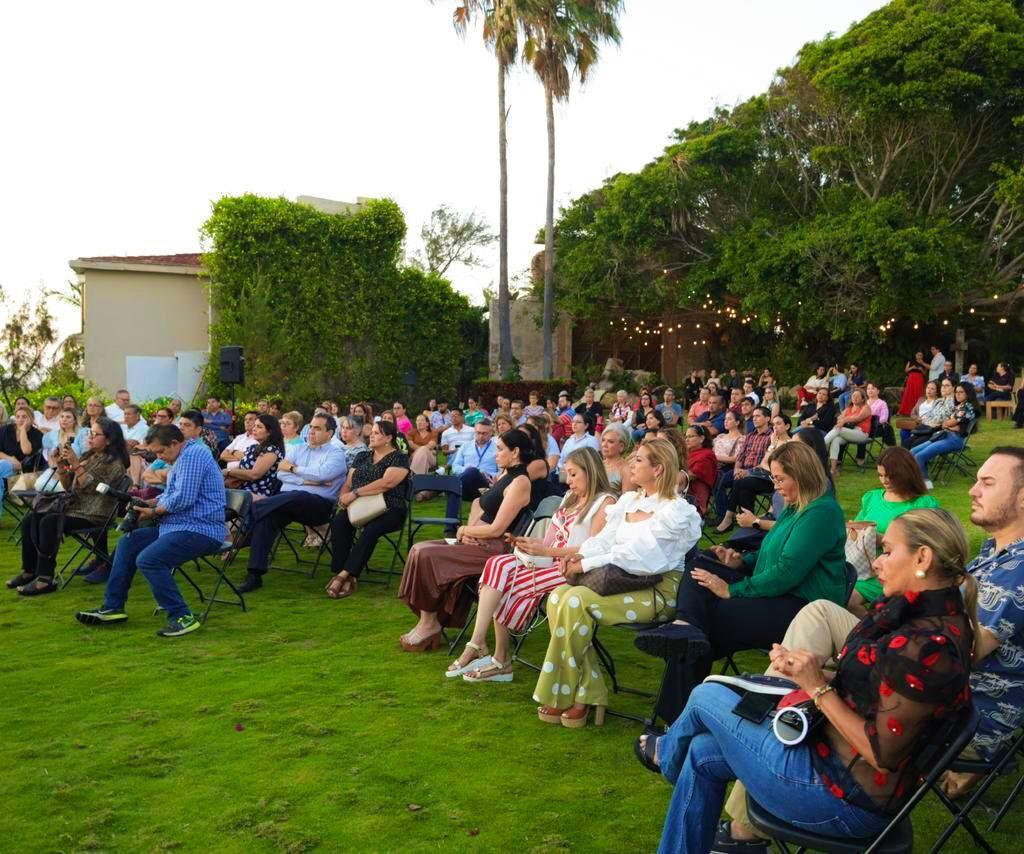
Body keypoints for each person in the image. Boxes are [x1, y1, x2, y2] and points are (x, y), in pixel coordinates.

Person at [645, 507, 976, 854]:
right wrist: (806, 670)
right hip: (830, 765)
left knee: (706, 695)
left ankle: (665, 754)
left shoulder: (928, 646)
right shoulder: (928, 619)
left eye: (888, 551)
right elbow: (879, 690)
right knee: (701, 752)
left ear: (922, 557)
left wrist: (817, 685)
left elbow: (882, 753)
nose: (876, 562)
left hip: (845, 800)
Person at [637, 441, 848, 724]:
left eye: (781, 479)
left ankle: (675, 716)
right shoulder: (796, 506)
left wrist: (732, 589)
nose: (776, 486)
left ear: (803, 476)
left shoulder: (821, 513)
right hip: (775, 592)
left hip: (801, 608)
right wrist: (739, 562)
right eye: (774, 478)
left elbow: (787, 571)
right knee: (701, 563)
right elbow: (771, 552)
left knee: (709, 623)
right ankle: (685, 628)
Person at [533, 440, 703, 726]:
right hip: (622, 582)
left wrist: (584, 565)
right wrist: (580, 556)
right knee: (557, 596)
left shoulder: (677, 512)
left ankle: (574, 696)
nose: (630, 465)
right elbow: (604, 541)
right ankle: (589, 690)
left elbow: (640, 558)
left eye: (638, 460)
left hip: (657, 591)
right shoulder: (629, 501)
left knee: (575, 600)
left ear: (658, 469)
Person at [447, 448, 617, 682]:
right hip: (550, 559)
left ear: (591, 472)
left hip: (573, 568)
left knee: (508, 582)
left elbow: (595, 549)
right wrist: (528, 543)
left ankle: (500, 659)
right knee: (497, 565)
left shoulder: (605, 502)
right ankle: (479, 643)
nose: (568, 481)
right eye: (567, 473)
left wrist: (546, 551)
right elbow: (551, 539)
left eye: (574, 474)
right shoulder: (570, 498)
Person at [75, 424, 227, 637]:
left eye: (160, 451)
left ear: (175, 443)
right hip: (177, 526)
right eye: (155, 452)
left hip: (202, 529)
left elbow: (183, 499)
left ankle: (182, 616)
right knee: (128, 543)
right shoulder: (180, 457)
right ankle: (113, 607)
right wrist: (148, 503)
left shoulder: (193, 456)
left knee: (149, 559)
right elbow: (172, 495)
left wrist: (153, 512)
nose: (159, 457)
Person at [398, 429, 535, 650]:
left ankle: (429, 624)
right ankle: (429, 621)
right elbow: (479, 505)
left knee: (425, 553)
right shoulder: (507, 476)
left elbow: (498, 529)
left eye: (500, 449)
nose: (495, 454)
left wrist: (464, 530)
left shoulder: (520, 482)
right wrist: (470, 531)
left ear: (516, 452)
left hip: (495, 552)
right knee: (418, 548)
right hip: (481, 542)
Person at [7, 417, 129, 595]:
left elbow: (94, 488)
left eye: (96, 434)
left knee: (49, 521)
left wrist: (76, 464)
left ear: (109, 439)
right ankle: (29, 571)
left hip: (94, 513)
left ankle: (45, 578)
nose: (90, 437)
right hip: (76, 508)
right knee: (30, 519)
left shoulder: (114, 463)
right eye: (90, 433)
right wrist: (62, 465)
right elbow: (68, 485)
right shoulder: (90, 455)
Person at [235, 414, 348, 593]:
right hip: (287, 503)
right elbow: (281, 473)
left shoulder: (336, 454)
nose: (311, 431)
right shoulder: (298, 449)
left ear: (330, 433)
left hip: (318, 506)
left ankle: (253, 510)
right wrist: (306, 481)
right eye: (311, 427)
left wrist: (295, 469)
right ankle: (254, 575)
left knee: (296, 496)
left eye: (317, 428)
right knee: (267, 519)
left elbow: (322, 474)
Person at [847, 447, 940, 617]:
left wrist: (882, 539)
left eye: (890, 476)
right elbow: (857, 527)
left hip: (902, 571)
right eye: (880, 475)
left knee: (855, 601)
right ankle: (870, 632)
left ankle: (879, 631)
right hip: (868, 569)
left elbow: (931, 543)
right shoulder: (872, 497)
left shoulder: (923, 504)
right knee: (846, 599)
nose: (884, 480)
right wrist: (855, 529)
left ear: (905, 474)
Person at [715, 412, 790, 532]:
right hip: (759, 474)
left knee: (741, 482)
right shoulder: (773, 441)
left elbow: (776, 468)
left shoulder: (789, 444)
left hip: (773, 479)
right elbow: (763, 463)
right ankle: (747, 523)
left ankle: (729, 517)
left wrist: (751, 471)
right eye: (774, 424)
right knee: (743, 486)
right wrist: (746, 471)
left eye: (778, 424)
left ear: (787, 426)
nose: (775, 427)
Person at [910, 381, 977, 488]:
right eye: (956, 392)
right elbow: (948, 424)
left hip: (954, 440)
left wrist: (949, 424)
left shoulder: (967, 407)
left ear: (968, 393)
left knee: (920, 456)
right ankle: (915, 479)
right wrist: (950, 424)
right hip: (944, 435)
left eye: (961, 392)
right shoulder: (959, 406)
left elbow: (949, 423)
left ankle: (926, 483)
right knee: (913, 451)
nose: (958, 394)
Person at [714, 407, 772, 521]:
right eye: (753, 416)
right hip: (741, 470)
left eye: (758, 416)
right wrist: (736, 469)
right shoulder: (750, 436)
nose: (754, 419)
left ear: (767, 419)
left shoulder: (771, 437)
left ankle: (729, 517)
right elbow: (740, 456)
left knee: (741, 483)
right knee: (720, 479)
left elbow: (766, 462)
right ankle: (732, 516)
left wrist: (747, 472)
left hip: (759, 474)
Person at [444, 419, 499, 535]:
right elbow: (455, 466)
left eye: (484, 433)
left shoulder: (497, 448)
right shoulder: (465, 446)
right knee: (459, 485)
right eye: (478, 433)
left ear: (491, 433)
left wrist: (489, 475)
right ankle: (450, 530)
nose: (480, 436)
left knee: (456, 485)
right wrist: (467, 470)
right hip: (466, 483)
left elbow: (502, 471)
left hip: (486, 485)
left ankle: (444, 488)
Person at [223, 414, 285, 498]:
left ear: (269, 432)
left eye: (259, 427)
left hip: (255, 491)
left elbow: (254, 475)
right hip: (239, 487)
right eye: (255, 425)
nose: (254, 429)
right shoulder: (254, 447)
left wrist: (228, 471)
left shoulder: (271, 450)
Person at [823, 388, 873, 478]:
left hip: (861, 434)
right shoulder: (848, 408)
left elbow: (858, 418)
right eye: (853, 395)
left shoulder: (866, 407)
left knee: (838, 429)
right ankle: (833, 470)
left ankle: (820, 445)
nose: (855, 397)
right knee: (836, 440)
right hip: (850, 432)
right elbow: (839, 418)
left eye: (858, 396)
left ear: (862, 399)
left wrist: (844, 420)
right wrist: (841, 420)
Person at [683, 424, 717, 516]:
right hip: (682, 488)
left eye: (691, 436)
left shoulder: (707, 455)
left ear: (701, 438)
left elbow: (692, 476)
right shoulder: (687, 453)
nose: (687, 439)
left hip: (694, 497)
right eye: (686, 436)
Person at [898, 380, 940, 447]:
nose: (929, 390)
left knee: (913, 442)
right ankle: (904, 450)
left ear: (937, 392)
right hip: (917, 423)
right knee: (904, 431)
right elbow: (912, 414)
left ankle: (908, 450)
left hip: (928, 426)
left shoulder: (938, 402)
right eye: (928, 388)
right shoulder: (921, 399)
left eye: (932, 389)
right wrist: (918, 419)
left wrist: (926, 419)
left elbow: (937, 417)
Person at [599, 423, 633, 492]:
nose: (604, 445)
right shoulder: (598, 464)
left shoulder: (627, 470)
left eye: (610, 442)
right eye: (603, 440)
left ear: (621, 447)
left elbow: (628, 501)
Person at [898, 351, 927, 416]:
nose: (919, 356)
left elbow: (925, 374)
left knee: (918, 393)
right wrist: (912, 367)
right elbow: (906, 370)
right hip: (911, 378)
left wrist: (921, 370)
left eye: (921, 355)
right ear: (915, 355)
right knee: (909, 393)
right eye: (918, 355)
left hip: (919, 378)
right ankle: (906, 411)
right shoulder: (911, 361)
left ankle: (918, 411)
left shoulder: (923, 363)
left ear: (922, 356)